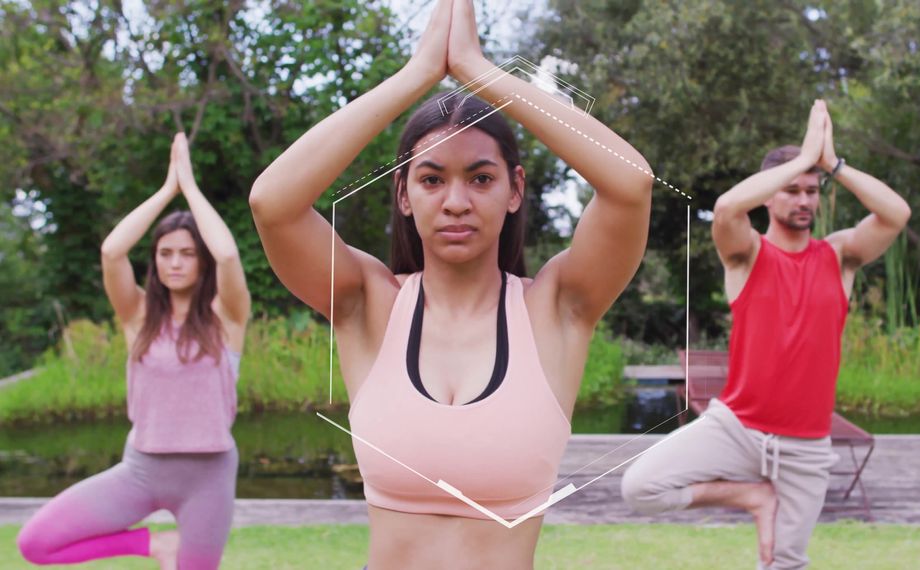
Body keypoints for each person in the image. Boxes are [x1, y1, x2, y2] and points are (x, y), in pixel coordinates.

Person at [248, 0, 652, 567]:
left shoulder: (558, 307)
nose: (456, 202)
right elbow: (272, 203)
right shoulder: (368, 303)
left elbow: (630, 184)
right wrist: (416, 75)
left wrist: (477, 70)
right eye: (432, 179)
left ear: (514, 190)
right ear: (404, 196)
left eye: (480, 178)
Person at [620, 100, 911, 569]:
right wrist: (801, 159)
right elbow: (729, 207)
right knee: (640, 487)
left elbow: (896, 214)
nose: (803, 200)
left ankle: (767, 508)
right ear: (770, 195)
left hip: (806, 447)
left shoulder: (839, 257)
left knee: (785, 563)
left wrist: (831, 162)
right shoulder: (746, 254)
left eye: (812, 191)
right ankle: (754, 498)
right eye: (792, 189)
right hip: (736, 429)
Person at [17, 133, 251, 570]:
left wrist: (191, 188)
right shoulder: (138, 316)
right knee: (36, 543)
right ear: (155, 262)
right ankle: (153, 546)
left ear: (200, 261)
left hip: (209, 476)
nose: (175, 262)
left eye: (186, 253)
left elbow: (229, 255)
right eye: (165, 253)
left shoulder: (227, 317)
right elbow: (111, 250)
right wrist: (167, 189)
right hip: (141, 468)